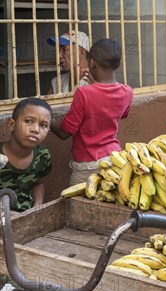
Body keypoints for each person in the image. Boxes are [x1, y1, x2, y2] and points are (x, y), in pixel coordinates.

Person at [0, 97, 52, 291]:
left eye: (43, 125)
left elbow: (39, 182)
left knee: (42, 276)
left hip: (27, 226)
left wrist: (37, 207)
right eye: (29, 121)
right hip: (3, 226)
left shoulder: (42, 157)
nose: (35, 129)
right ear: (11, 125)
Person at [51, 39, 133, 185]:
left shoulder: (84, 93)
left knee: (77, 206)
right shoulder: (127, 92)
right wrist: (95, 86)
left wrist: (45, 115)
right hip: (114, 161)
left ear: (92, 63)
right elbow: (120, 112)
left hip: (87, 168)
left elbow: (65, 132)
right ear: (118, 65)